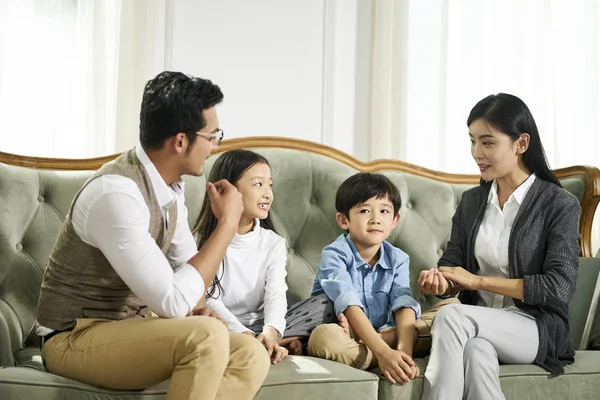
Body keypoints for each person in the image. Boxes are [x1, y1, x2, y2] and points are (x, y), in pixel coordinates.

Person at [35, 71, 270, 400]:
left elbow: (188, 263)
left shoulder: (170, 188)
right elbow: (174, 302)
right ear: (180, 141)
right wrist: (227, 224)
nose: (216, 145)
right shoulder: (116, 193)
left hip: (135, 328)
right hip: (74, 337)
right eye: (212, 135)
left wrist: (198, 309)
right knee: (205, 336)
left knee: (250, 353)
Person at [419, 93, 580, 400]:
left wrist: (478, 281)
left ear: (521, 143)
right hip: (482, 327)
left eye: (488, 142)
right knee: (477, 352)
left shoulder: (559, 205)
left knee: (452, 317)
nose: (476, 152)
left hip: (537, 328)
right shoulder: (471, 202)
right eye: (472, 140)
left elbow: (559, 288)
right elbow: (452, 265)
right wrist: (441, 282)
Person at [194, 149, 335, 362]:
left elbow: (276, 294)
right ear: (227, 189)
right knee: (200, 321)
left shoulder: (273, 243)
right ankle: (276, 344)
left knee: (324, 303)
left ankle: (272, 342)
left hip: (263, 325)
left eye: (270, 185)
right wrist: (245, 335)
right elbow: (209, 300)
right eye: (258, 184)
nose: (268, 193)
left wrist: (270, 331)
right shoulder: (202, 241)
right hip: (223, 325)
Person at [307, 172, 422, 385]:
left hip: (384, 331)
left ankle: (381, 354)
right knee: (323, 338)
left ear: (395, 220)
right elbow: (348, 302)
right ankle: (380, 355)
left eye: (384, 211)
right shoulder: (334, 254)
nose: (376, 219)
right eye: (365, 210)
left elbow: (403, 302)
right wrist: (384, 352)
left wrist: (404, 353)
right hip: (344, 334)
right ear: (344, 220)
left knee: (447, 314)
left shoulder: (398, 258)